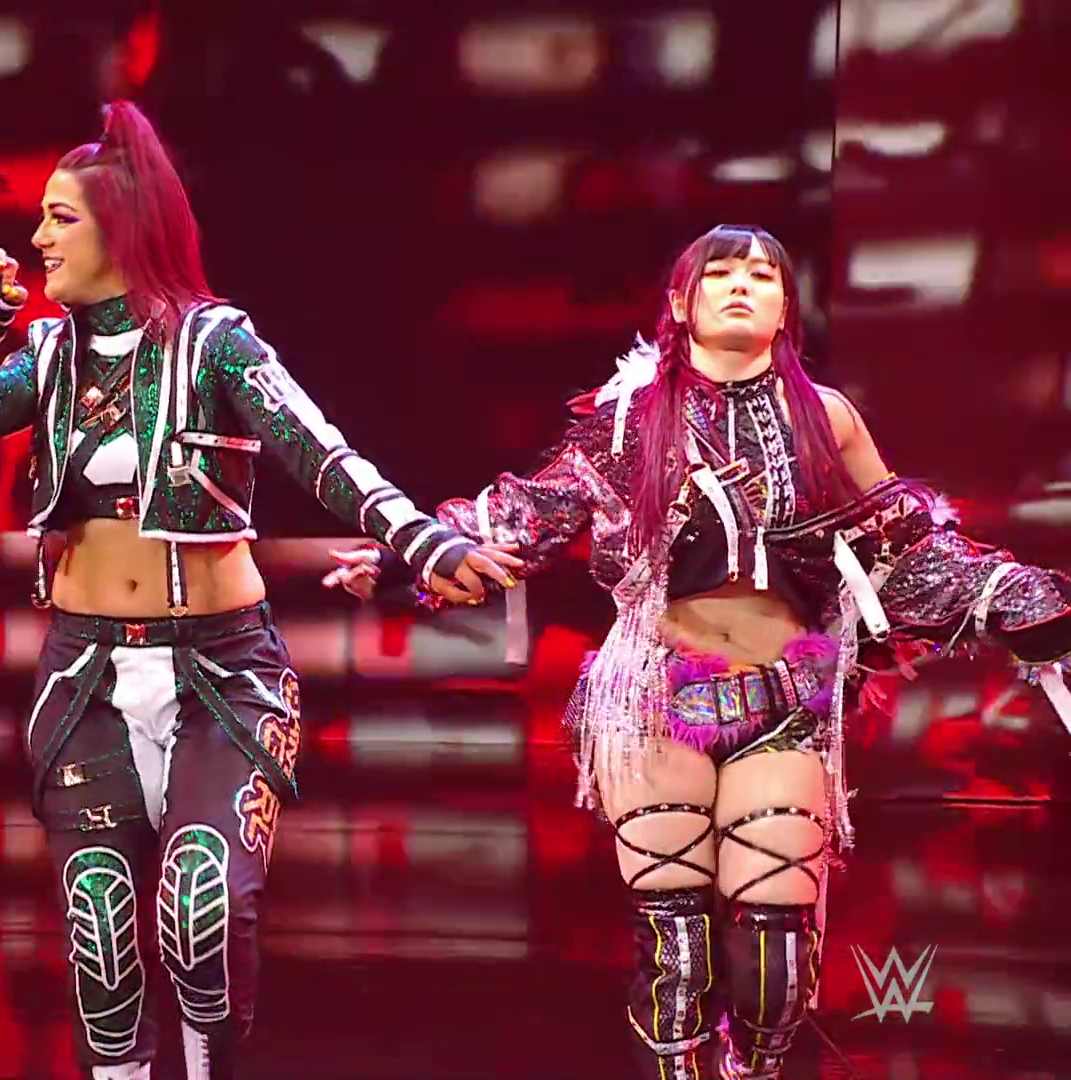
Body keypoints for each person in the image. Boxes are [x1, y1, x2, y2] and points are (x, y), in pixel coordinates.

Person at [328, 223, 1071, 1079]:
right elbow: (529, 514)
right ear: (681, 304)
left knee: (776, 971)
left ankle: (748, 1068)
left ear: (786, 308)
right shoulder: (628, 421)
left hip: (784, 697)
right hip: (654, 697)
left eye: (762, 274)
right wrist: (409, 553)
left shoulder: (826, 419)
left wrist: (1021, 600)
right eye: (719, 273)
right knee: (676, 957)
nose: (741, 284)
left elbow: (907, 545)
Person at [0, 101, 518, 1080]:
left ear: (123, 229)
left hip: (221, 670)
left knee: (200, 907)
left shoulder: (215, 342)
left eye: (60, 218)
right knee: (99, 926)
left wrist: (417, 538)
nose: (38, 239)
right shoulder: (52, 353)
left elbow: (320, 453)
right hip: (85, 673)